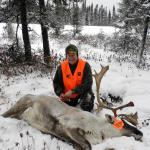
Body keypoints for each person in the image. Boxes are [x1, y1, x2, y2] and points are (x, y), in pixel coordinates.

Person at [53, 44, 94, 112]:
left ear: (77, 55)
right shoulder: (61, 67)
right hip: (67, 97)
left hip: (82, 93)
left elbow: (88, 83)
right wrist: (60, 93)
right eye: (69, 55)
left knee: (87, 105)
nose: (71, 57)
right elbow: (56, 83)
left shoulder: (85, 66)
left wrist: (73, 91)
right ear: (66, 56)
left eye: (73, 55)